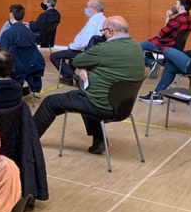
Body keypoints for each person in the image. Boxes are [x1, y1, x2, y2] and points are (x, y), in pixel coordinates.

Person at [33, 16, 143, 154]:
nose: (102, 34)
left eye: (103, 31)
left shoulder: (104, 49)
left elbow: (77, 61)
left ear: (110, 31)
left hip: (100, 105)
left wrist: (84, 66)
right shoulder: (137, 48)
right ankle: (99, 140)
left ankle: (29, 140)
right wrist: (85, 67)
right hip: (123, 107)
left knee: (50, 102)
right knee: (84, 96)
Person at [49, 0, 106, 83]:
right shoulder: (104, 19)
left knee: (54, 56)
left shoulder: (93, 22)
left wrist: (72, 46)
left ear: (92, 9)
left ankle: (74, 76)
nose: (85, 9)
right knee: (72, 52)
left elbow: (83, 43)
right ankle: (68, 77)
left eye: (87, 6)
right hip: (97, 51)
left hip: (86, 52)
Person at [140, 36, 191, 103]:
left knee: (167, 50)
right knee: (170, 66)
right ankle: (157, 94)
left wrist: (183, 55)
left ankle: (162, 61)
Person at [140, 0, 191, 67]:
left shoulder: (176, 20)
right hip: (176, 46)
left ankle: (151, 62)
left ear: (182, 7)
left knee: (138, 47)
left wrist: (168, 17)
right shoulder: (190, 18)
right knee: (148, 49)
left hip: (165, 45)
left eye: (176, 4)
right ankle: (153, 63)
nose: (174, 5)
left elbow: (161, 34)